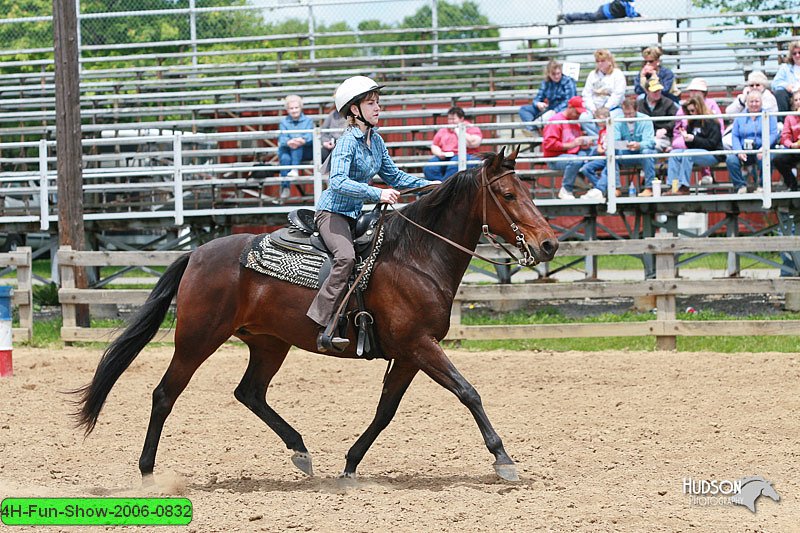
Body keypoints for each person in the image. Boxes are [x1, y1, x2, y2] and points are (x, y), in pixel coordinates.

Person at [306, 76, 438, 352]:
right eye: (371, 102)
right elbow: (338, 181)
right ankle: (323, 324)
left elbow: (396, 177)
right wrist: (377, 193)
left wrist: (433, 186)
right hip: (332, 214)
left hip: (355, 215)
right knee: (346, 257)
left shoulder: (375, 141)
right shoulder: (346, 143)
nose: (378, 107)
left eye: (378, 102)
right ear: (354, 110)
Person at [586, 98, 656, 199]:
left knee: (647, 151)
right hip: (626, 152)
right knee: (611, 152)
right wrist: (623, 145)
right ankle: (616, 188)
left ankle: (649, 188)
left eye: (630, 114)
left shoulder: (645, 119)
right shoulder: (618, 120)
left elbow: (650, 141)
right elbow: (615, 140)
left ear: (636, 110)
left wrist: (639, 145)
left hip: (641, 152)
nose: (627, 117)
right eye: (625, 114)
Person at [666, 95, 723, 195]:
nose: (691, 114)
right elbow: (691, 146)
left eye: (692, 111)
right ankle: (674, 187)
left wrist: (694, 139)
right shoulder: (691, 123)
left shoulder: (712, 122)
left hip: (713, 154)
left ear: (699, 108)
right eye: (688, 112)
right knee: (674, 153)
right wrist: (687, 139)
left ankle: (684, 186)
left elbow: (712, 144)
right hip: (696, 152)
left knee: (688, 154)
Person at [726, 91, 779, 194]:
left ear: (761, 102)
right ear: (746, 102)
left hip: (762, 149)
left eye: (757, 101)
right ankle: (740, 186)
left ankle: (763, 186)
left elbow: (773, 134)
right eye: (751, 101)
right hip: (744, 151)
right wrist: (739, 151)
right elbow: (735, 135)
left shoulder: (769, 116)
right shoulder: (740, 117)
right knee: (731, 160)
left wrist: (764, 148)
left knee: (766, 158)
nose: (754, 104)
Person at [542, 96, 594, 200]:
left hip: (571, 154)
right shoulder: (555, 121)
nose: (578, 115)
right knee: (575, 161)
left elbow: (573, 142)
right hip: (555, 158)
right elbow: (549, 144)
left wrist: (583, 143)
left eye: (580, 113)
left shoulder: (575, 122)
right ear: (570, 107)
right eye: (577, 112)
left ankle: (595, 188)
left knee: (594, 154)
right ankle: (566, 189)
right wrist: (572, 144)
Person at [423, 106, 483, 181]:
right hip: (445, 155)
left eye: (453, 119)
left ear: (461, 119)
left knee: (453, 166)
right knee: (430, 168)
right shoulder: (443, 130)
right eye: (449, 119)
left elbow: (474, 143)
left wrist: (459, 131)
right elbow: (435, 145)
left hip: (466, 155)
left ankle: (445, 187)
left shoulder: (471, 128)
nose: (451, 121)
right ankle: (437, 187)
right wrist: (439, 153)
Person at [518, 59, 577, 134]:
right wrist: (538, 103)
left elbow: (569, 101)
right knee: (524, 110)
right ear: (548, 74)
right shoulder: (546, 83)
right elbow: (537, 98)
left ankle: (536, 128)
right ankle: (533, 130)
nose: (556, 76)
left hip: (563, 110)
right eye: (553, 74)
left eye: (558, 73)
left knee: (551, 116)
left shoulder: (568, 81)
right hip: (549, 108)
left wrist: (555, 111)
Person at [581, 49, 627, 136]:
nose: (600, 63)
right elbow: (586, 94)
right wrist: (593, 109)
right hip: (594, 108)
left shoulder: (617, 74)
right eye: (597, 61)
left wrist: (606, 108)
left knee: (614, 118)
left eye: (602, 61)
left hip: (612, 108)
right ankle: (598, 139)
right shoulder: (592, 74)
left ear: (609, 61)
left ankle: (610, 140)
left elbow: (618, 94)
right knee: (584, 118)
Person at [278, 94, 314, 199]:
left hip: (305, 151)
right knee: (284, 158)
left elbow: (310, 136)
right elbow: (282, 138)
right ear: (287, 110)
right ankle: (285, 187)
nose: (294, 110)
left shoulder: (308, 121)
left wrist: (302, 140)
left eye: (296, 107)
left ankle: (295, 169)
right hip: (288, 150)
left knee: (297, 145)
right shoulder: (283, 122)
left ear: (301, 108)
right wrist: (289, 142)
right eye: (291, 108)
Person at [637, 76, 678, 155]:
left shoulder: (668, 103)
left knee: (650, 147)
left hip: (663, 137)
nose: (657, 93)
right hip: (644, 136)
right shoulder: (640, 104)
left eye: (659, 90)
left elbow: (676, 119)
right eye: (654, 91)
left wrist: (665, 129)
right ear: (647, 91)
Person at [772, 89, 800, 191]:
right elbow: (785, 136)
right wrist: (791, 145)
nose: (798, 102)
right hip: (795, 149)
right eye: (796, 100)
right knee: (778, 160)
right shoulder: (789, 117)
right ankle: (792, 185)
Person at [578, 107, 610, 188]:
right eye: (597, 119)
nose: (599, 122)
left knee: (605, 171)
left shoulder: (612, 130)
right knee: (586, 169)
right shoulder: (601, 131)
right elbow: (599, 144)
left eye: (601, 119)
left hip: (608, 157)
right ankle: (599, 187)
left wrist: (602, 149)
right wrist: (599, 148)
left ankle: (600, 188)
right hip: (602, 156)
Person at [772, 40, 800, 112]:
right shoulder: (785, 68)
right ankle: (782, 121)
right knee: (780, 93)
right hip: (791, 95)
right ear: (791, 55)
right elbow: (774, 84)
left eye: (799, 52)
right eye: (794, 53)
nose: (797, 55)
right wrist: (786, 86)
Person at [558, 0, 641, 23]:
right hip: (603, 13)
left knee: (587, 16)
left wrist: (637, 14)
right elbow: (631, 14)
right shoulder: (629, 3)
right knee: (587, 17)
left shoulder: (628, 3)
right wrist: (638, 15)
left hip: (604, 10)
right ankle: (568, 16)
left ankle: (568, 16)